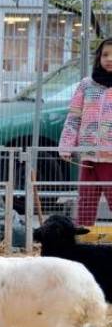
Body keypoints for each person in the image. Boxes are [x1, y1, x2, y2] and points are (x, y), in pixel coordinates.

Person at [59, 37, 112, 226]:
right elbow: (74, 117)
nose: (109, 59)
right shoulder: (86, 85)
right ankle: (83, 246)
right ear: (98, 57)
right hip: (88, 156)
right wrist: (66, 145)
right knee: (86, 206)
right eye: (105, 54)